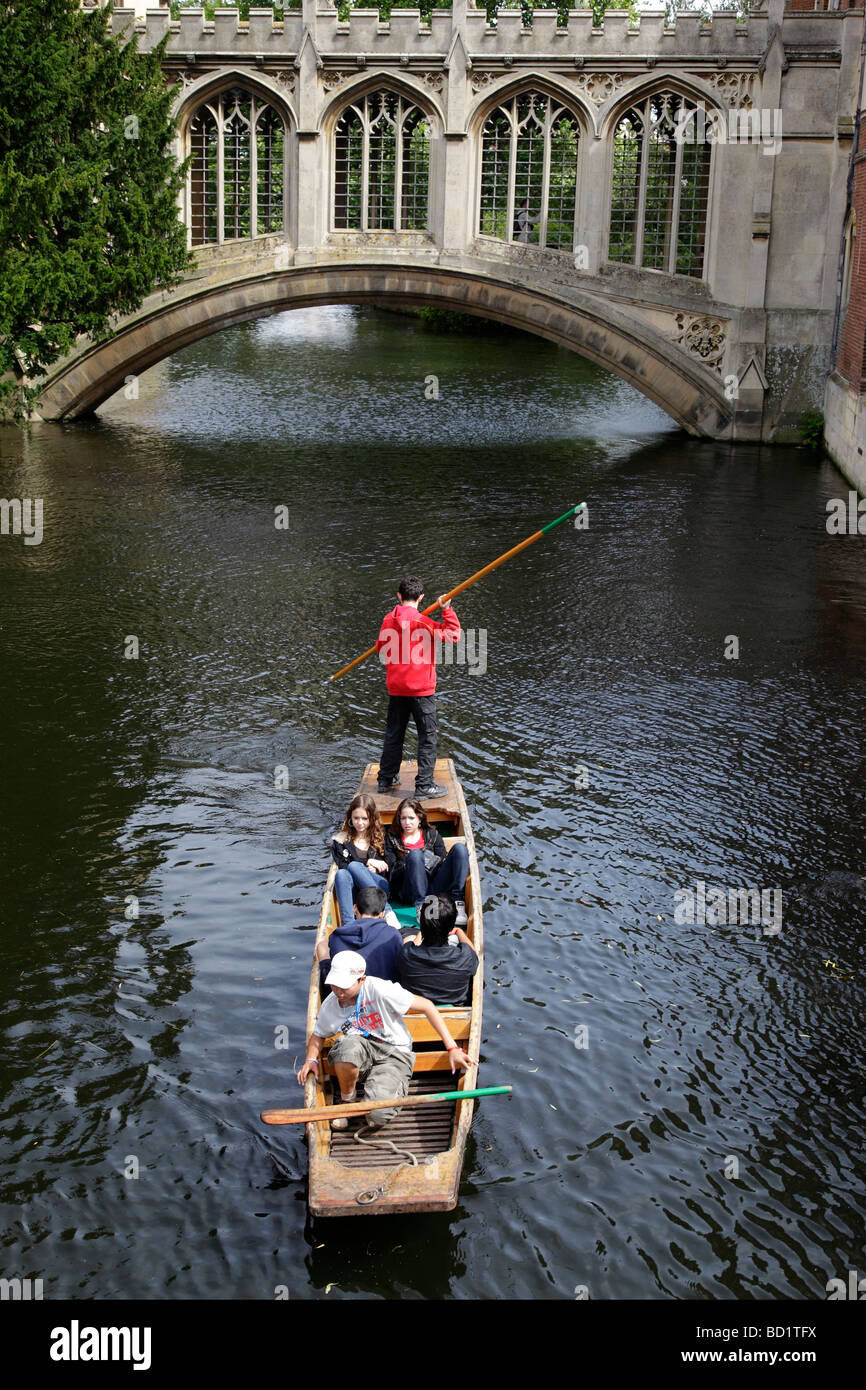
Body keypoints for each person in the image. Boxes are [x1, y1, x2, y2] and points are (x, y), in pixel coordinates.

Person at [296, 950, 474, 1129]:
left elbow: (427, 1006)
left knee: (377, 1117)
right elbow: (318, 1035)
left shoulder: (381, 989)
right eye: (335, 985)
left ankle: (386, 1090)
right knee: (346, 1047)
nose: (338, 992)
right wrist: (311, 1059)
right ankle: (347, 1102)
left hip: (394, 1053)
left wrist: (452, 1048)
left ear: (362, 979)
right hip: (362, 1050)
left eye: (345, 986)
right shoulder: (331, 1003)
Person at [375, 575, 460, 800]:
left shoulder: (387, 620)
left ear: (399, 596)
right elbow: (453, 635)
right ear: (421, 597)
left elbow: (380, 649)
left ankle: (385, 779)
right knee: (427, 737)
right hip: (421, 691)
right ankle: (423, 785)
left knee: (394, 734)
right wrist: (447, 610)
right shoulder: (424, 623)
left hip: (396, 690)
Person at [384, 797, 469, 925]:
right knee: (416, 855)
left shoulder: (432, 834)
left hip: (433, 885)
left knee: (460, 849)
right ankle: (421, 908)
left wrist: (429, 863)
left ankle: (458, 902)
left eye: (411, 818)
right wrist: (411, 863)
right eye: (403, 818)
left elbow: (442, 859)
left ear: (419, 818)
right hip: (409, 889)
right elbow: (391, 872)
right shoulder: (391, 838)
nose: (407, 822)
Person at [316, 885, 402, 994]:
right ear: (382, 913)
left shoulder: (337, 936)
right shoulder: (393, 934)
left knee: (322, 946)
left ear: (355, 909)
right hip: (386, 994)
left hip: (347, 994)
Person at [398, 894, 479, 1006]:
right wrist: (459, 932)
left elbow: (410, 944)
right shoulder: (465, 955)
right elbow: (473, 953)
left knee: (408, 936)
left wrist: (422, 931)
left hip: (414, 1006)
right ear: (451, 926)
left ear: (422, 922)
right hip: (455, 1003)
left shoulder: (407, 953)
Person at [330, 793, 394, 927]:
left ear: (371, 818)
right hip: (357, 893)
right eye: (356, 818)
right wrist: (367, 864)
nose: (360, 823)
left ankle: (387, 911)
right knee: (342, 873)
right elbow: (343, 865)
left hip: (379, 888)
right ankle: (349, 925)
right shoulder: (341, 840)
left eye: (364, 818)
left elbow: (390, 866)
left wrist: (374, 870)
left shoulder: (382, 837)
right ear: (350, 818)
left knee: (354, 866)